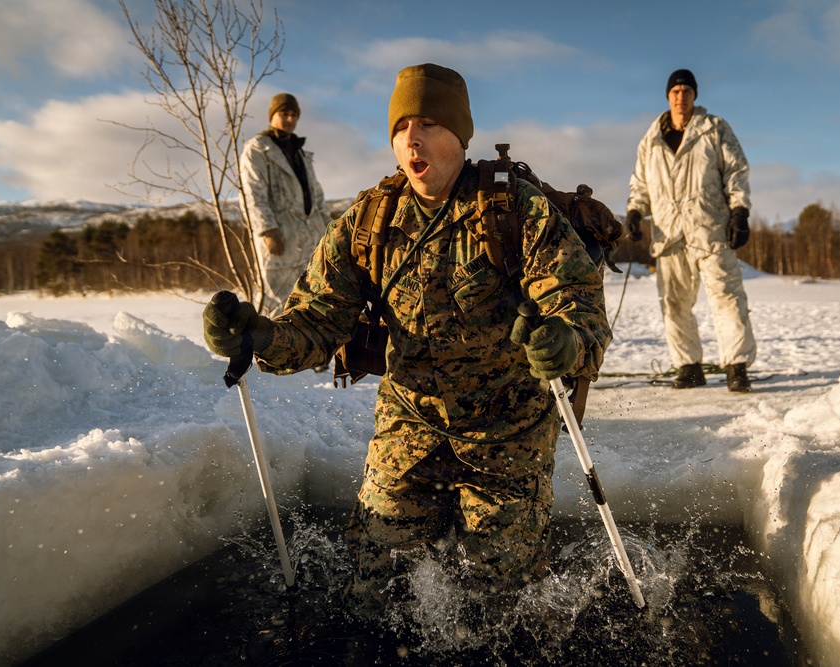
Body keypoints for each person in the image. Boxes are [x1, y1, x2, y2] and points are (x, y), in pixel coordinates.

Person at [204, 63, 610, 617]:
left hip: (507, 433)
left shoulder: (514, 209)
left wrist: (564, 340)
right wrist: (261, 336)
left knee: (502, 610)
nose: (411, 139)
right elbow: (317, 321)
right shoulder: (370, 219)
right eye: (400, 128)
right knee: (373, 596)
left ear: (459, 136)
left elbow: (578, 303)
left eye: (428, 124)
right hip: (410, 427)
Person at [625, 68, 756, 392]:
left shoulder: (714, 128)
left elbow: (736, 171)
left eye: (686, 91)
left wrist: (739, 211)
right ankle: (689, 367)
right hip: (669, 234)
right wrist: (635, 211)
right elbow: (641, 183)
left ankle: (737, 367)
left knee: (727, 297)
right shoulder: (651, 139)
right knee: (674, 303)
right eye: (675, 91)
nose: (681, 96)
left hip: (711, 229)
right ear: (667, 96)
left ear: (695, 95)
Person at [240, 92, 332, 315]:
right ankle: (268, 339)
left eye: (294, 115)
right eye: (284, 114)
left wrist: (329, 231)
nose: (290, 119)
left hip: (309, 239)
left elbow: (316, 197)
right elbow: (252, 193)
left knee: (309, 302)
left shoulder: (301, 153)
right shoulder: (258, 148)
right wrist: (268, 230)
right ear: (272, 115)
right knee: (276, 303)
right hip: (278, 237)